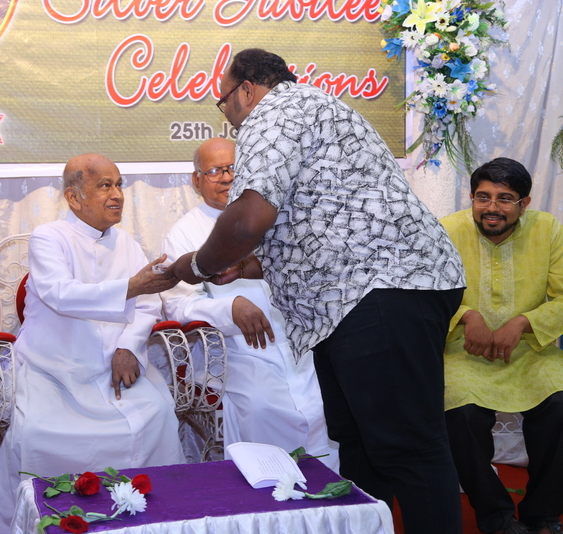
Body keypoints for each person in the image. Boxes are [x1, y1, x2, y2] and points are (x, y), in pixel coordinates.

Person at [167, 48, 466, 534]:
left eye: (224, 102)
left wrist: (195, 266)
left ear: (247, 89)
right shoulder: (315, 107)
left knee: (408, 449)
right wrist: (248, 266)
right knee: (361, 444)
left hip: (378, 288)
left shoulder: (274, 112)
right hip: (361, 295)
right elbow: (318, 223)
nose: (229, 116)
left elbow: (247, 220)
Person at [0, 153, 185, 533]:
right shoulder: (49, 237)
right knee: (37, 434)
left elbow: (147, 305)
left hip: (116, 367)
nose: (117, 195)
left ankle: (153, 522)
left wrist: (128, 346)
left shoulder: (126, 242)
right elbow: (61, 294)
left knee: (158, 414)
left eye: (119, 185)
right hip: (54, 370)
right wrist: (131, 286)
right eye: (104, 186)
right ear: (74, 197)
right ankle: (47, 521)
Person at [160, 137, 338, 469]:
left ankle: (327, 492)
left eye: (233, 168)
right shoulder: (184, 232)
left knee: (330, 402)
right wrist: (230, 308)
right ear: (197, 180)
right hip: (239, 351)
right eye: (215, 171)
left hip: (301, 344)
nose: (227, 178)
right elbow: (178, 305)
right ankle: (267, 490)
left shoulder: (275, 216)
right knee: (260, 408)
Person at [441, 158, 563, 534]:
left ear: (524, 204)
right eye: (483, 197)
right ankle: (495, 516)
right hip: (464, 352)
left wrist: (524, 322)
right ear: (472, 198)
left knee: (560, 405)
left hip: (530, 351)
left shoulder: (548, 229)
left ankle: (542, 514)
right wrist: (466, 315)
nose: (491, 207)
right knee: (460, 413)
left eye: (505, 198)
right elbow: (426, 294)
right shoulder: (447, 230)